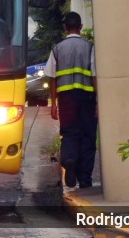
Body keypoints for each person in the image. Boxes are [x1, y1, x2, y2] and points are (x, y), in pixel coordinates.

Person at [44, 11, 97, 188]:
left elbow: (52, 77)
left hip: (66, 99)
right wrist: (97, 102)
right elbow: (95, 75)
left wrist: (53, 104)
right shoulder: (90, 47)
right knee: (88, 136)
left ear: (64, 27)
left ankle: (70, 159)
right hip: (87, 97)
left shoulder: (57, 49)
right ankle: (85, 179)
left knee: (69, 133)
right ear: (81, 27)